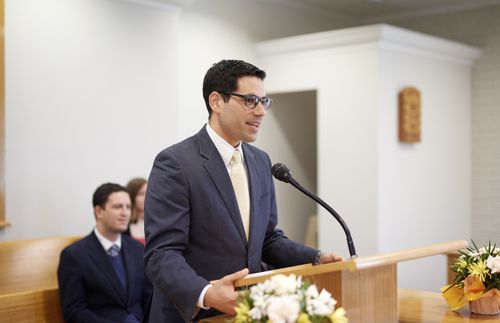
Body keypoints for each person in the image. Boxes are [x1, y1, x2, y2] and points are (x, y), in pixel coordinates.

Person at [143, 59, 343, 322]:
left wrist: (317, 258)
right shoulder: (176, 163)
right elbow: (161, 254)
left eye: (264, 101)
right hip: (192, 314)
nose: (261, 111)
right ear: (216, 102)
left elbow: (267, 239)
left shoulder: (260, 161)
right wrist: (206, 292)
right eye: (250, 100)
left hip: (246, 312)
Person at [58, 183, 152, 323]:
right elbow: (74, 312)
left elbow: (148, 298)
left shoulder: (137, 249)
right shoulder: (74, 255)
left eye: (128, 207)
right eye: (117, 207)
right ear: (99, 211)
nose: (125, 213)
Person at [125, 177, 147, 245]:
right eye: (141, 194)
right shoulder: (124, 225)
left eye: (148, 193)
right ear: (131, 196)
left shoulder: (158, 222)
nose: (146, 197)